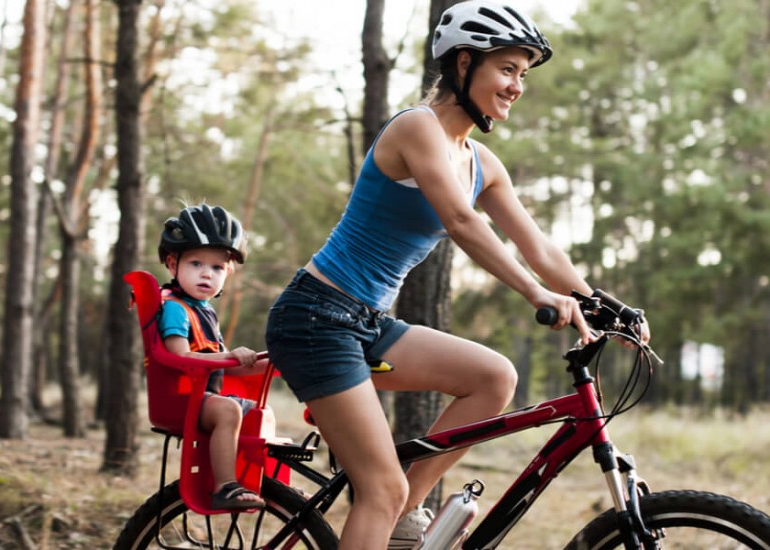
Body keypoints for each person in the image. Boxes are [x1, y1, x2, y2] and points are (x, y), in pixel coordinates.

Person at [265, 1, 650, 548]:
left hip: (368, 321)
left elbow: (538, 246)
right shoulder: (416, 128)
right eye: (508, 69)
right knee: (378, 488)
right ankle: (392, 503)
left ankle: (406, 510)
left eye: (523, 73)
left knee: (493, 378)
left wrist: (603, 304)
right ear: (464, 64)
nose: (518, 85)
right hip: (316, 317)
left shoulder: (482, 163)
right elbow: (461, 222)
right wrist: (535, 294)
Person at [158, 203, 271, 511]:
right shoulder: (176, 309)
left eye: (217, 268)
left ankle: (270, 487)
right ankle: (226, 486)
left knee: (263, 415)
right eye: (196, 263)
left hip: (204, 397)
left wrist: (272, 363)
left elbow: (226, 368)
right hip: (185, 399)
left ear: (228, 272)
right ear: (172, 263)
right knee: (228, 412)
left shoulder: (205, 312)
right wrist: (230, 355)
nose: (207, 274)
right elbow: (180, 355)